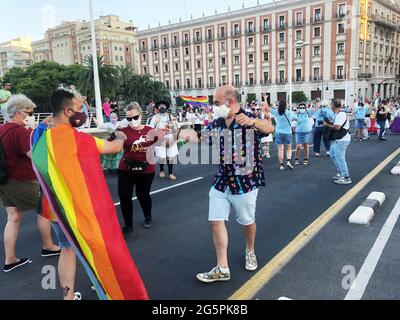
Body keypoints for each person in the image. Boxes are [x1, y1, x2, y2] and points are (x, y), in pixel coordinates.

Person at [31, 88, 148, 300]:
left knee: (68, 250)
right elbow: (112, 148)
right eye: (79, 108)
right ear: (67, 111)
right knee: (98, 249)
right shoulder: (78, 140)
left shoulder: (40, 140)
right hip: (80, 211)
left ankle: (67, 297)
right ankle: (106, 286)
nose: (82, 111)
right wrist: (121, 137)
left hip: (55, 209)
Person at [196, 85, 274, 283]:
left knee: (247, 221)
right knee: (215, 221)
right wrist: (179, 136)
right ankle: (222, 268)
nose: (214, 107)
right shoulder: (218, 123)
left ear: (229, 102)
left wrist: (253, 122)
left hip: (245, 182)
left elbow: (269, 128)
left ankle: (250, 250)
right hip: (222, 181)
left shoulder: (248, 118)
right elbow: (202, 138)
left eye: (216, 103)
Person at [0, 94, 60, 273]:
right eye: (29, 112)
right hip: (23, 181)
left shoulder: (2, 129)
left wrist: (44, 124)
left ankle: (10, 259)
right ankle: (48, 246)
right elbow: (35, 157)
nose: (32, 115)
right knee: (46, 210)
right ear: (18, 113)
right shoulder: (20, 132)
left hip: (4, 182)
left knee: (13, 217)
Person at [118, 102, 158, 234]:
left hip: (146, 169)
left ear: (141, 115)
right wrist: (115, 135)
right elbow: (112, 144)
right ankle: (128, 225)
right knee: (124, 196)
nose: (132, 121)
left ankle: (148, 217)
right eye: (129, 118)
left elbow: (165, 142)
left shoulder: (150, 131)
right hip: (126, 168)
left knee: (143, 194)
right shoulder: (123, 131)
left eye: (135, 117)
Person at [323, 99, 352, 185]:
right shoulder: (339, 114)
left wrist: (327, 125)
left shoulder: (340, 114)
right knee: (333, 154)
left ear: (334, 106)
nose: (330, 106)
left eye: (331, 105)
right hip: (339, 139)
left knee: (340, 158)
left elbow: (337, 127)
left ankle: (346, 177)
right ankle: (341, 173)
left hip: (342, 139)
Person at [149, 101, 179, 180]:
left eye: (163, 106)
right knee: (161, 156)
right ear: (158, 108)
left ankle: (170, 173)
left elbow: (177, 127)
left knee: (170, 156)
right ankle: (162, 170)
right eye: (160, 106)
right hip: (160, 138)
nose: (162, 107)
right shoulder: (155, 118)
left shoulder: (171, 117)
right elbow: (150, 128)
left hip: (170, 138)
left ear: (166, 107)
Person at [269, 100, 295, 171]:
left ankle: (281, 165)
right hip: (288, 132)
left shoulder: (277, 112)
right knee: (288, 148)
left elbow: (267, 108)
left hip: (279, 132)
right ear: (286, 105)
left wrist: (265, 99)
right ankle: (288, 161)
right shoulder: (290, 112)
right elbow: (296, 118)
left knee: (280, 149)